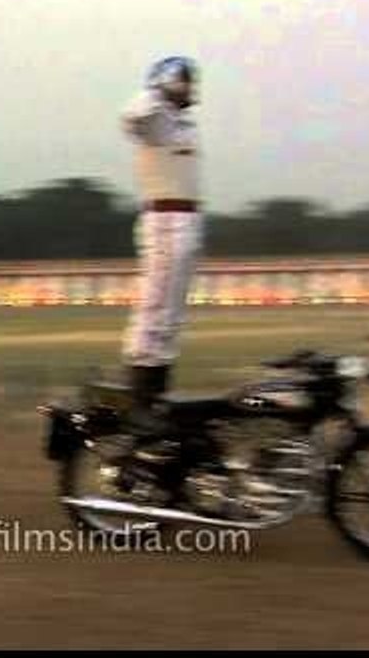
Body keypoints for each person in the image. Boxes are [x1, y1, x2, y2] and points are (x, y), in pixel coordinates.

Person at [118, 55, 203, 464]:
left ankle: (158, 394)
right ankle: (140, 399)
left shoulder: (182, 124)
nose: (191, 87)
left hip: (186, 218)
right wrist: (157, 92)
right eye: (184, 80)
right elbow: (130, 119)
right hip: (166, 220)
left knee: (172, 313)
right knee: (155, 308)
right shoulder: (156, 118)